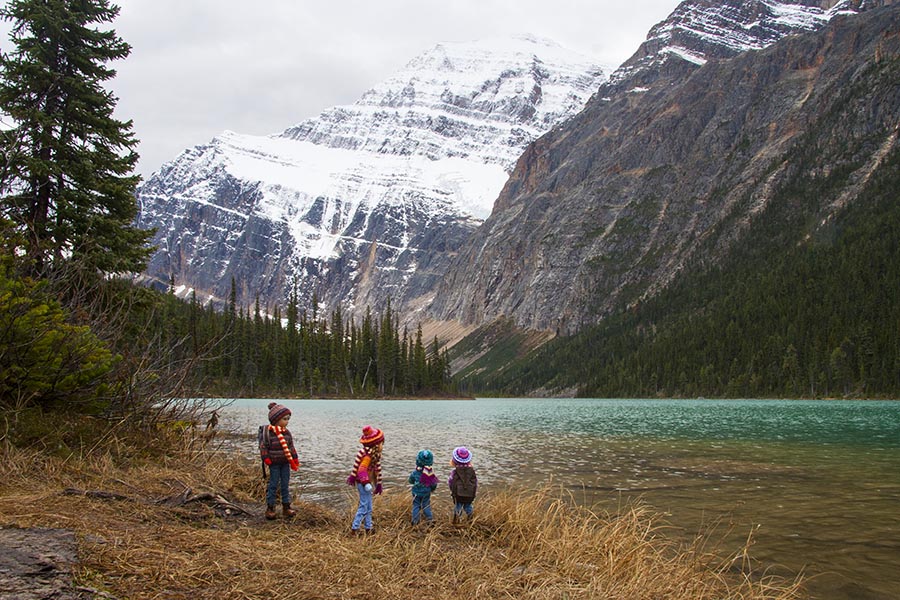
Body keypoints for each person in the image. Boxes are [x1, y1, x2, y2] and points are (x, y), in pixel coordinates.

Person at [259, 402, 300, 520]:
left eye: (288, 419)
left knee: (285, 484)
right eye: (284, 419)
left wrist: (295, 458)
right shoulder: (268, 433)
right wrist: (266, 458)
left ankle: (286, 506)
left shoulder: (286, 433)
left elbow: (291, 447)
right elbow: (263, 447)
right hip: (274, 463)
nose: (287, 421)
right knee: (273, 484)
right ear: (276, 420)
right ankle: (270, 507)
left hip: (285, 463)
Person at [346, 425, 384, 534]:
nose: (382, 446)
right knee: (363, 506)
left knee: (369, 506)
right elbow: (361, 470)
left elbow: (375, 471)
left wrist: (375, 484)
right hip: (363, 484)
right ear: (376, 445)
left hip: (366, 484)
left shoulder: (373, 455)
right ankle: (355, 528)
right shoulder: (367, 456)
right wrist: (366, 483)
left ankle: (368, 527)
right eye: (381, 444)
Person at [408, 449, 438, 525]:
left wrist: (414, 482)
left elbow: (410, 480)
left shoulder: (415, 472)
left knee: (416, 505)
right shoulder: (430, 473)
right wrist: (432, 489)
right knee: (426, 506)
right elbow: (434, 484)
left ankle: (415, 521)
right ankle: (430, 520)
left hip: (416, 493)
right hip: (426, 492)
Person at [448, 446, 477, 523]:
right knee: (468, 506)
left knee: (458, 507)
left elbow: (450, 482)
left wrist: (452, 491)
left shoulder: (454, 472)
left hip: (458, 494)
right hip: (470, 494)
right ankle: (471, 519)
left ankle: (456, 521)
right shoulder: (472, 471)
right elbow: (475, 483)